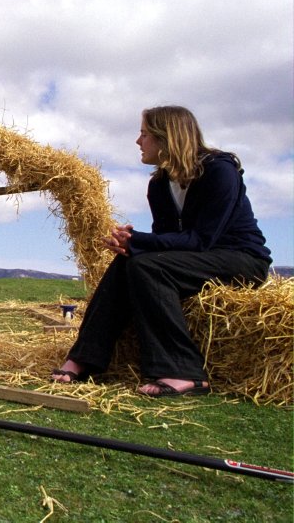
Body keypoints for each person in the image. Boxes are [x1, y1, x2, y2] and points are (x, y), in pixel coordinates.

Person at [51, 106, 271, 397]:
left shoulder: (219, 171)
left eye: (144, 134)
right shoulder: (158, 185)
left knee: (146, 265)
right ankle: (84, 358)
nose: (138, 142)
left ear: (166, 137)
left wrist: (138, 241)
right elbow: (168, 238)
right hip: (196, 260)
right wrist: (130, 245)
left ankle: (186, 373)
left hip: (240, 259)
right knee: (127, 263)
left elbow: (203, 239)